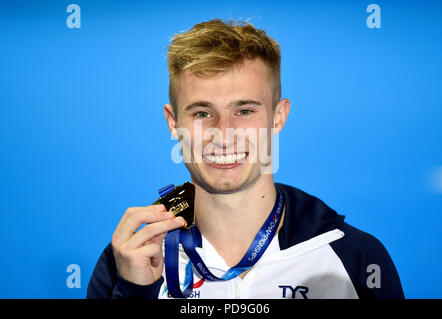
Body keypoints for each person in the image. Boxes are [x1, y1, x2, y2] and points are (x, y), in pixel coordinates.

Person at [87, 18, 404, 299]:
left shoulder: (355, 257)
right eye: (202, 112)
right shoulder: (133, 259)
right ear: (173, 123)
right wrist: (135, 292)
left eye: (244, 111)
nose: (223, 134)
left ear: (278, 117)